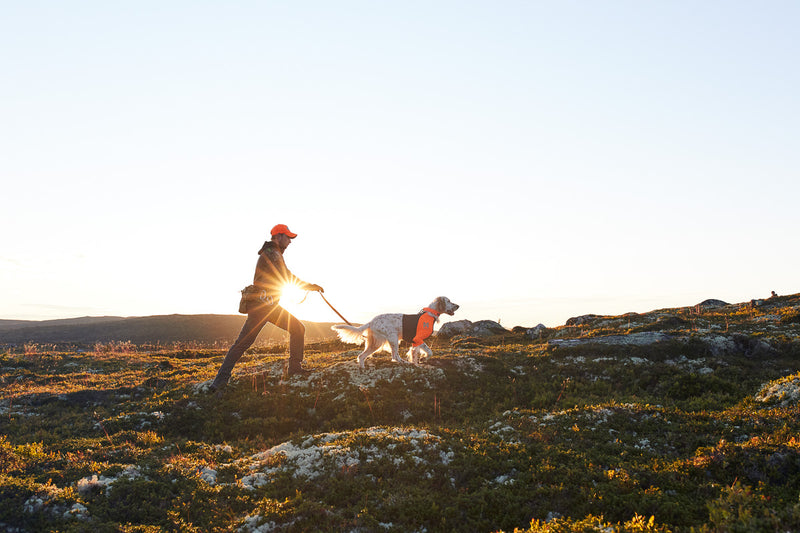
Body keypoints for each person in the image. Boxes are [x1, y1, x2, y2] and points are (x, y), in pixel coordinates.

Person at [210, 224, 323, 392]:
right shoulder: (272, 253)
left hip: (266, 306)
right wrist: (309, 286)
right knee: (294, 329)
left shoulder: (271, 252)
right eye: (288, 237)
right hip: (264, 306)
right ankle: (219, 382)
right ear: (278, 236)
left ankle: (219, 382)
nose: (290, 242)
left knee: (245, 343)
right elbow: (285, 276)